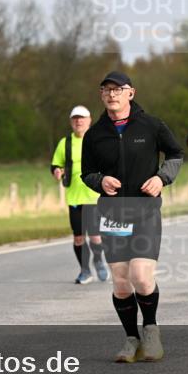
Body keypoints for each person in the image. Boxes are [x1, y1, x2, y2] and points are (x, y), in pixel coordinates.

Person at [82, 71, 183, 362]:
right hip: (113, 213)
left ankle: (151, 331)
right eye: (106, 90)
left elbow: (176, 154)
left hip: (145, 211)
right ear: (101, 95)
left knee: (140, 275)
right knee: (121, 281)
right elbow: (86, 172)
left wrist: (162, 178)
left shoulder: (151, 125)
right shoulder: (95, 134)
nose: (112, 94)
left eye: (118, 89)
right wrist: (99, 181)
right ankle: (131, 339)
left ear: (131, 93)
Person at [51, 106, 109, 284]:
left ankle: (98, 260)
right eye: (75, 118)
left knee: (95, 236)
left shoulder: (97, 141)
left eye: (82, 118)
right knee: (78, 237)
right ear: (71, 122)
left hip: (93, 196)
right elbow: (55, 164)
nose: (79, 121)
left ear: (89, 120)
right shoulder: (65, 143)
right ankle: (85, 270)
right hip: (74, 197)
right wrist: (57, 171)